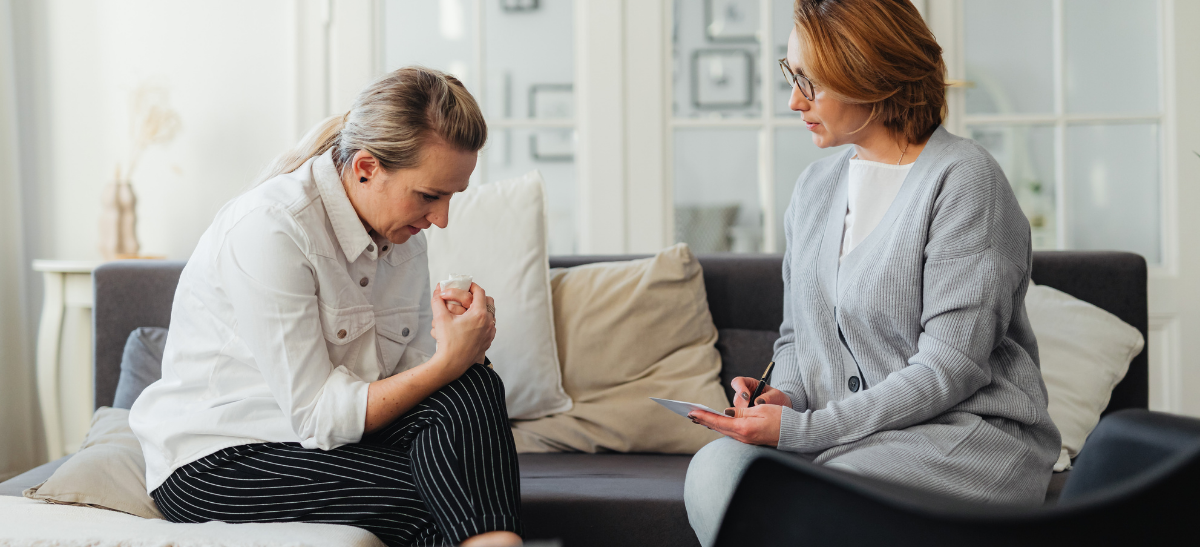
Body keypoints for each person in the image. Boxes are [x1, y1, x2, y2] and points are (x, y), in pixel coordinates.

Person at [683, 1, 1061, 545]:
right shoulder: (813, 189)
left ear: (872, 76)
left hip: (959, 439)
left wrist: (802, 431)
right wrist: (785, 396)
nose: (794, 102)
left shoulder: (965, 181)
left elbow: (949, 368)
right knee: (717, 468)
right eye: (792, 77)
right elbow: (795, 337)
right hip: (849, 441)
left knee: (816, 497)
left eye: (810, 84)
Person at [129, 67, 524, 547]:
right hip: (221, 457)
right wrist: (447, 362)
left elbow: (418, 379)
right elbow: (318, 414)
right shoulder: (271, 228)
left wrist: (465, 345)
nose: (440, 219)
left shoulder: (404, 236)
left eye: (451, 198)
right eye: (429, 195)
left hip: (329, 443)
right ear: (365, 168)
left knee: (475, 384)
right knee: (439, 495)